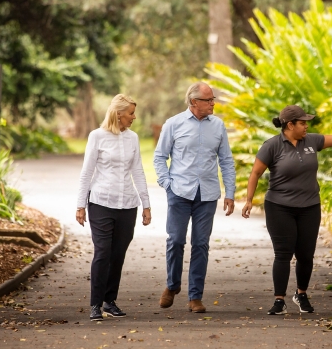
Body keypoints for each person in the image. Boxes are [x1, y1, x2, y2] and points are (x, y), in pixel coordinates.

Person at [241, 105, 332, 315]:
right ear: (290, 125)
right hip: (279, 207)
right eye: (302, 123)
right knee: (283, 253)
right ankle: (279, 300)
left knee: (306, 254)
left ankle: (301, 294)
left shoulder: (312, 141)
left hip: (309, 206)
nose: (306, 126)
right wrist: (248, 200)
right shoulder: (272, 146)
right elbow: (255, 173)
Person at [154, 82, 236, 313]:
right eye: (208, 100)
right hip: (179, 192)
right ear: (193, 102)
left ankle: (195, 297)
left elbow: (226, 161)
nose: (213, 103)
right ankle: (172, 286)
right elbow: (160, 157)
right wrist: (167, 184)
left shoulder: (218, 126)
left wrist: (230, 192)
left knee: (201, 244)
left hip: (207, 194)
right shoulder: (173, 124)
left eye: (213, 99)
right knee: (176, 240)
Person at [75, 94, 151, 321]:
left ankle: (110, 301)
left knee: (118, 254)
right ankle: (95, 305)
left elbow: (138, 171)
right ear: (119, 114)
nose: (134, 117)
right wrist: (80, 205)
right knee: (102, 252)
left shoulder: (133, 138)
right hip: (101, 202)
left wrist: (146, 204)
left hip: (128, 204)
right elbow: (87, 172)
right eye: (131, 113)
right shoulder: (97, 137)